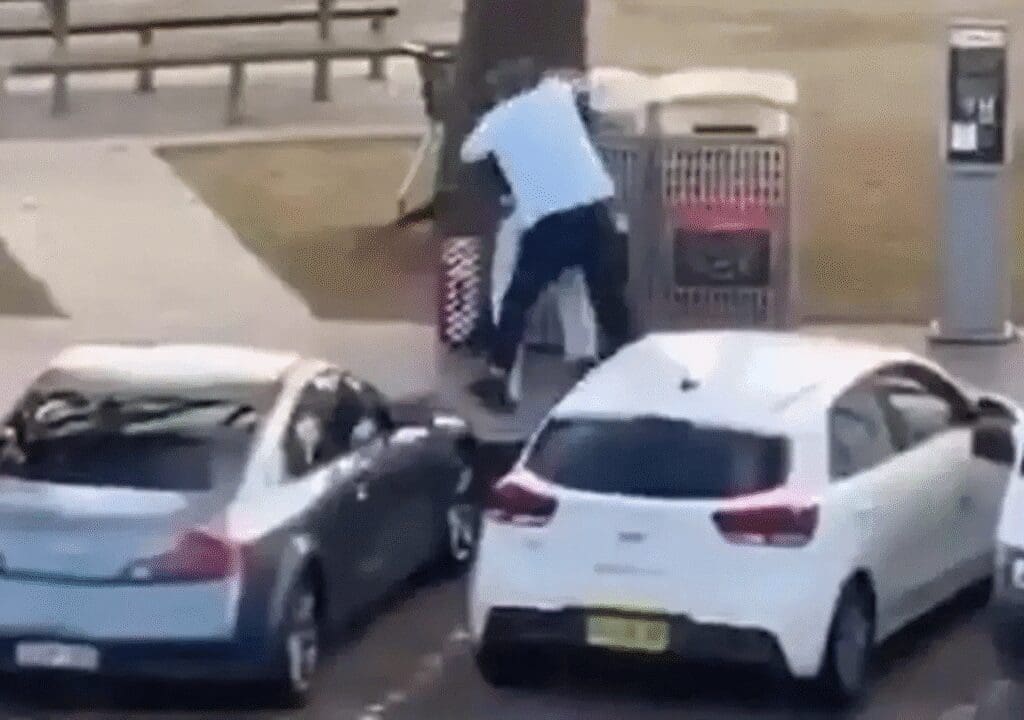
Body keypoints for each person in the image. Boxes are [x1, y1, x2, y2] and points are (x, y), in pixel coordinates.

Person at [461, 57, 630, 410]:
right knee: (607, 299)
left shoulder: (498, 120)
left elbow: (469, 153)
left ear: (500, 93)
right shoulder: (556, 94)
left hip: (551, 221)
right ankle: (623, 368)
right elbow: (581, 87)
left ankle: (500, 378)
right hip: (596, 210)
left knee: (516, 300)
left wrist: (494, 123)